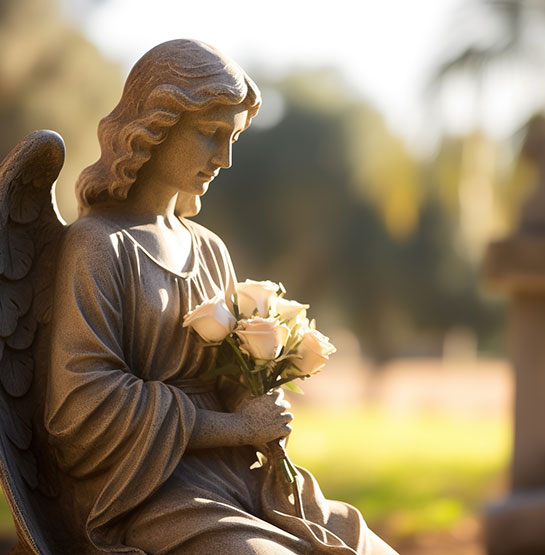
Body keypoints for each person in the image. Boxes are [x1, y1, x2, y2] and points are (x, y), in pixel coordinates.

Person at [45, 39, 396, 554]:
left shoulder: (208, 248)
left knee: (366, 546)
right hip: (151, 493)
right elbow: (82, 404)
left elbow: (225, 372)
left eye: (232, 139)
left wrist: (258, 391)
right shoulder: (98, 244)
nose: (225, 159)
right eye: (212, 135)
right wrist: (233, 426)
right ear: (156, 125)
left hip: (243, 479)